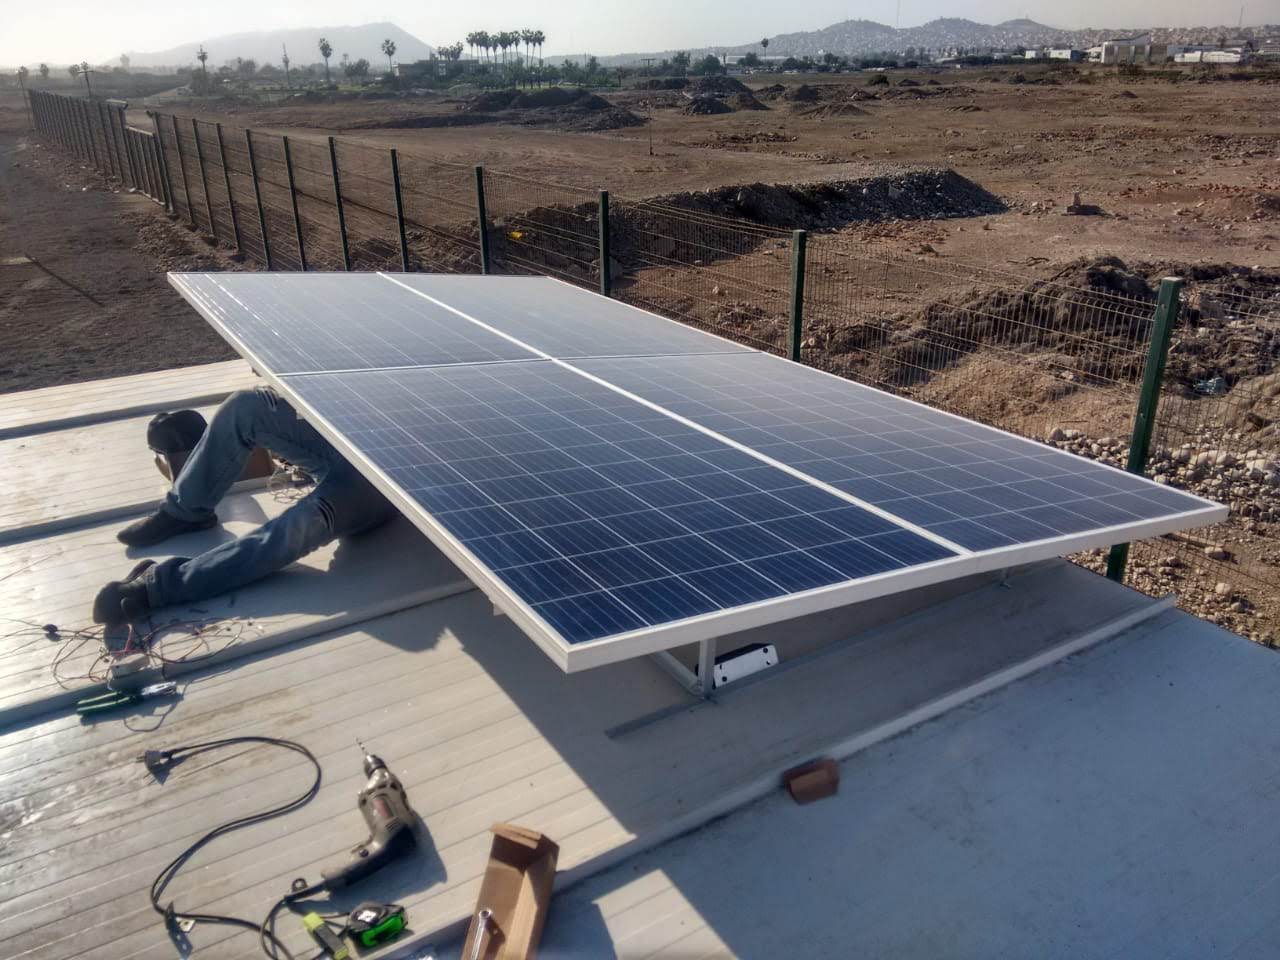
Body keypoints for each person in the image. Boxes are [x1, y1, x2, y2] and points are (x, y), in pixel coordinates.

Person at [92, 386, 396, 628]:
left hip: (389, 475)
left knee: (307, 521)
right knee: (245, 406)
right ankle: (185, 512)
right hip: (350, 432)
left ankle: (161, 587)